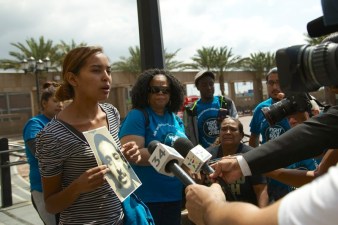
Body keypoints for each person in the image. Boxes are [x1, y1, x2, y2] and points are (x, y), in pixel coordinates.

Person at [35, 46, 141, 224]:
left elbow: (116, 172)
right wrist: (77, 187)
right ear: (73, 78)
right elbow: (51, 205)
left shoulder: (111, 114)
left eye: (108, 70)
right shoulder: (52, 135)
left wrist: (127, 156)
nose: (106, 77)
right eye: (96, 70)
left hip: (120, 219)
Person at [119, 68, 187, 225]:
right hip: (146, 198)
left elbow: (185, 151)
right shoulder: (138, 115)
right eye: (155, 89)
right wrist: (172, 156)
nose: (160, 93)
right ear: (145, 92)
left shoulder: (176, 119)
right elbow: (132, 155)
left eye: (166, 90)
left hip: (174, 196)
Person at [23, 81, 63, 225]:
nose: (60, 104)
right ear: (44, 103)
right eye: (55, 101)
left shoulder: (62, 123)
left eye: (62, 101)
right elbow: (38, 151)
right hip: (42, 189)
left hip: (63, 188)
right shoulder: (35, 123)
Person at [206, 117, 268, 207]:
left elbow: (260, 189)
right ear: (219, 133)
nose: (227, 132)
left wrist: (263, 216)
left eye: (233, 129)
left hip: (246, 212)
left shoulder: (252, 155)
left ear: (241, 135)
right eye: (223, 129)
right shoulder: (207, 155)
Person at [184, 70, 238, 148]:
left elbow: (237, 125)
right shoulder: (190, 110)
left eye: (211, 84)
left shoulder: (226, 103)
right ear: (198, 87)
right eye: (204, 85)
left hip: (228, 152)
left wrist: (228, 121)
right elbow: (188, 135)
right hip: (204, 156)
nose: (209, 88)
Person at [249, 67, 291, 147]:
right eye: (271, 83)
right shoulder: (260, 108)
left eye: (279, 82)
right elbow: (254, 137)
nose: (275, 87)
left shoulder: (299, 106)